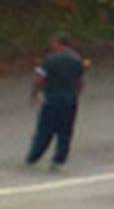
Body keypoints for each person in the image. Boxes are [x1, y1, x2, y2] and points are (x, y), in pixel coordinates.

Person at [25, 33, 85, 169]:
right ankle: (59, 159)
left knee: (45, 129)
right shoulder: (77, 59)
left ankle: (34, 156)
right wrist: (75, 95)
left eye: (53, 43)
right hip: (70, 99)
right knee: (65, 130)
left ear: (58, 44)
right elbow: (80, 81)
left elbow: (40, 78)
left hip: (53, 98)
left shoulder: (50, 59)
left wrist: (34, 94)